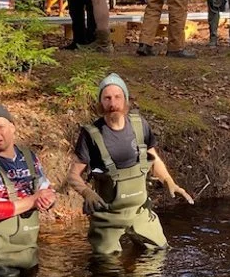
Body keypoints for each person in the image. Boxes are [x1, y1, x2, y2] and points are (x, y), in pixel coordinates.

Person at [67, 73, 194, 255]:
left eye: (118, 97)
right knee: (107, 270)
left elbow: (153, 158)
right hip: (107, 215)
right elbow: (73, 175)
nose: (113, 104)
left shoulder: (139, 125)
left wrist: (168, 181)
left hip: (140, 211)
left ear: (126, 100)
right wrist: (87, 192)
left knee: (158, 255)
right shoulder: (91, 135)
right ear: (100, 103)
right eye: (107, 98)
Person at [0, 104, 56, 277]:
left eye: (1, 127)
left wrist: (48, 198)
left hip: (28, 252)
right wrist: (32, 201)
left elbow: (46, 188)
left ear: (12, 127)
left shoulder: (29, 157)